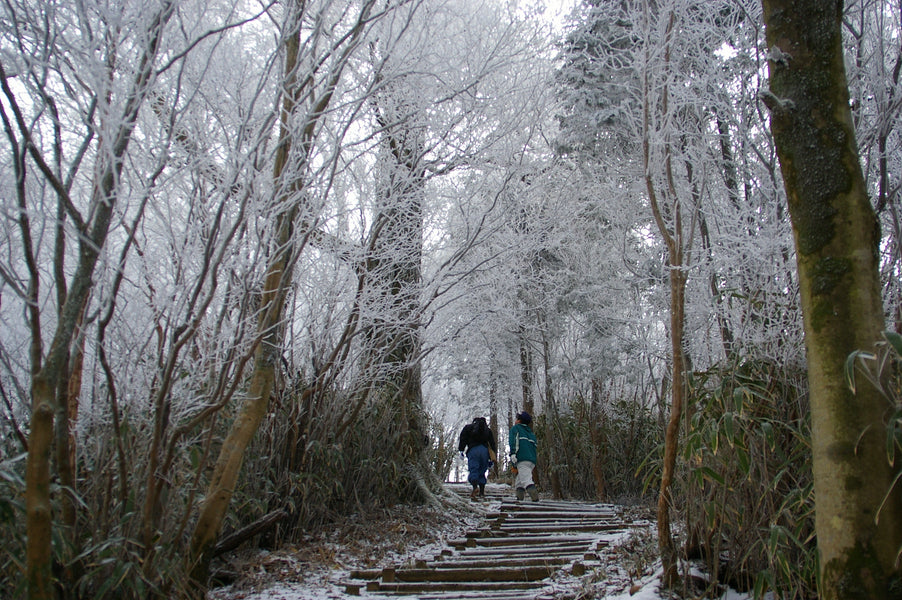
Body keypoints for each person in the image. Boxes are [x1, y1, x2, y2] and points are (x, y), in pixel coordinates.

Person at [458, 417, 497, 500]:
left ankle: (475, 487)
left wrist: (461, 450)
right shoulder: (488, 430)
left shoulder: (468, 428)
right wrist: (491, 459)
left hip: (473, 450)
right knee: (482, 471)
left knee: (474, 469)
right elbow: (492, 444)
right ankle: (482, 492)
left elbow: (463, 439)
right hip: (484, 451)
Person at [508, 411, 538, 501]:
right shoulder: (531, 433)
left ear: (519, 421)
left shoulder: (516, 429)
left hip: (522, 458)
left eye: (517, 419)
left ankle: (535, 498)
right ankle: (519, 498)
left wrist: (513, 453)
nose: (515, 421)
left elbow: (513, 441)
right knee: (519, 481)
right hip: (532, 460)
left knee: (526, 480)